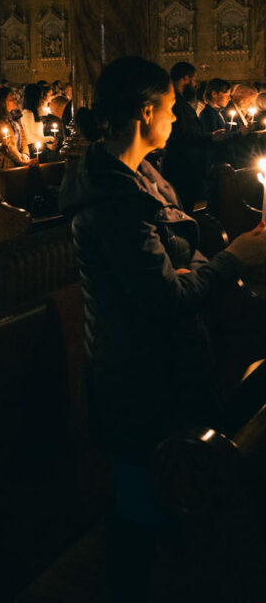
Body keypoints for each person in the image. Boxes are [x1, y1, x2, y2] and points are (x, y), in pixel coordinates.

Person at [59, 56, 266, 601]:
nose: (177, 118)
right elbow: (168, 300)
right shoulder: (114, 203)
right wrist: (237, 256)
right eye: (171, 109)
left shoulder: (142, 179)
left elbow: (184, 256)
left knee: (170, 501)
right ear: (145, 111)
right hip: (137, 379)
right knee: (140, 511)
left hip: (163, 364)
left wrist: (193, 266)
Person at [162, 61, 226, 213]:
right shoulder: (175, 101)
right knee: (184, 208)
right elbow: (182, 133)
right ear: (185, 79)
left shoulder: (180, 100)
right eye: (194, 80)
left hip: (187, 165)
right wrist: (210, 136)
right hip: (182, 167)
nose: (196, 84)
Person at [0, 87, 29, 168]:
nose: (15, 101)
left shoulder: (14, 117)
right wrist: (21, 159)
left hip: (20, 160)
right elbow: (7, 144)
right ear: (2, 102)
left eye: (15, 98)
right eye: (11, 99)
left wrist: (25, 154)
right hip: (6, 163)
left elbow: (23, 138)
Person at [20, 83, 54, 156]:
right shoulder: (27, 113)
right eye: (40, 97)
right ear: (34, 98)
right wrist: (50, 139)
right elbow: (31, 137)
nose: (42, 100)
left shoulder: (33, 113)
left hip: (38, 147)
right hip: (33, 150)